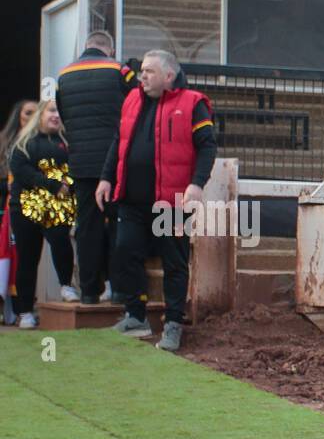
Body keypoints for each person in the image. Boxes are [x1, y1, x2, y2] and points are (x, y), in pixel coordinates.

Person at [95, 49, 216, 352]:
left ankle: (173, 323)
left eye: (149, 71)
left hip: (171, 203)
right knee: (125, 250)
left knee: (174, 261)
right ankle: (136, 316)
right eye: (142, 70)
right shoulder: (132, 100)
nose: (142, 76)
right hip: (131, 200)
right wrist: (106, 177)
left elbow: (207, 147)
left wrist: (197, 184)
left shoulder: (193, 104)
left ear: (169, 76)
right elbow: (118, 142)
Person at [56, 30, 135, 305]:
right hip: (114, 162)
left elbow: (63, 114)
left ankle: (89, 291)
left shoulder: (64, 75)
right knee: (118, 222)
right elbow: (135, 106)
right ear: (109, 49)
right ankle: (118, 288)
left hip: (81, 163)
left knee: (86, 226)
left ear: (87, 47)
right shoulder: (119, 70)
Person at [8, 100, 78, 329]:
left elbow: (76, 171)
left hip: (57, 208)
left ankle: (66, 285)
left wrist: (66, 185)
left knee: (61, 244)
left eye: (59, 111)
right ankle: (25, 311)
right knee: (28, 259)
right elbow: (21, 172)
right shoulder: (24, 143)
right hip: (26, 208)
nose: (56, 116)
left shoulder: (67, 143)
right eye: (51, 111)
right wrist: (52, 184)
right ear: (40, 114)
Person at [0, 99, 37, 325]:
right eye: (27, 114)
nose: (32, 119)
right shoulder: (6, 143)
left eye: (35, 114)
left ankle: (23, 309)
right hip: (7, 209)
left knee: (25, 257)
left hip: (34, 207)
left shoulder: (43, 143)